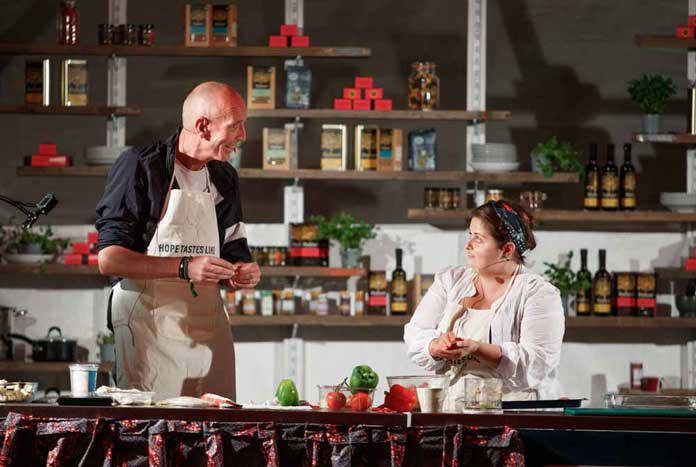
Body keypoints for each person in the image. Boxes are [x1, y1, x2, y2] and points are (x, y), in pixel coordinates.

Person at [95, 81, 260, 399]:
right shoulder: (140, 166)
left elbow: (232, 245)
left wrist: (241, 269)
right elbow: (110, 258)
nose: (243, 135)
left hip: (206, 326)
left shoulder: (224, 176)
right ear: (203, 126)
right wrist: (184, 266)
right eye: (236, 125)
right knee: (154, 426)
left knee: (215, 425)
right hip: (149, 324)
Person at [404, 200, 565, 410]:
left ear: (507, 249)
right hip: (454, 410)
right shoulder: (450, 281)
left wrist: (477, 348)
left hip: (514, 415)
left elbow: (536, 364)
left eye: (478, 239)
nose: (468, 245)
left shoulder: (538, 293)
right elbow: (415, 333)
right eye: (470, 235)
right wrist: (435, 346)